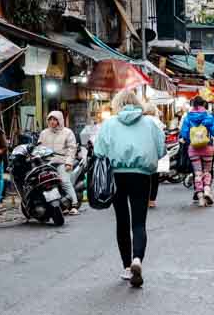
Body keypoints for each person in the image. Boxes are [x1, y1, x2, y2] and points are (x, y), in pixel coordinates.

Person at [94, 89, 165, 288]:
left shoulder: (109, 124)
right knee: (139, 223)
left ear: (117, 104)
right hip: (141, 176)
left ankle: (127, 267)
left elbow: (99, 151)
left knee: (122, 221)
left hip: (116, 176)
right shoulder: (150, 123)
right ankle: (137, 259)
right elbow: (161, 150)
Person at [38, 111, 79, 214]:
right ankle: (59, 206)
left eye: (55, 119)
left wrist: (69, 163)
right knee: (45, 183)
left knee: (64, 181)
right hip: (47, 162)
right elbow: (39, 148)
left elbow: (72, 149)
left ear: (60, 120)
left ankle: (74, 204)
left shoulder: (67, 132)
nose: (52, 122)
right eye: (50, 119)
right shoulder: (44, 133)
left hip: (62, 160)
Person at [180, 96, 214, 206]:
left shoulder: (188, 117)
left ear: (193, 104)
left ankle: (200, 197)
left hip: (193, 149)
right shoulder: (209, 117)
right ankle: (207, 191)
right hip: (207, 148)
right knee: (207, 171)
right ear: (204, 104)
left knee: (197, 173)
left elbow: (184, 135)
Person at [143, 103, 166, 208]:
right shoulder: (158, 122)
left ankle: (145, 198)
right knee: (155, 177)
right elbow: (162, 138)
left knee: (145, 176)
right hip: (155, 152)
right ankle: (152, 200)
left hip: (144, 151)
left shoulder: (141, 121)